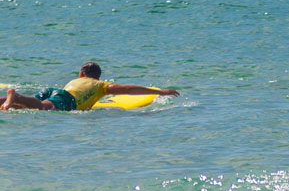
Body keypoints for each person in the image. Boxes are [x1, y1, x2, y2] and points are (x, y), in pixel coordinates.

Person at [1, 62, 179, 111]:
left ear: (81, 73)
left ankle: (10, 100)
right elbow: (128, 89)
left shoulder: (77, 80)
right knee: (45, 108)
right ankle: (15, 96)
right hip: (67, 98)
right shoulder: (101, 85)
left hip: (53, 90)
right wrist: (160, 92)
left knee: (24, 105)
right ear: (98, 76)